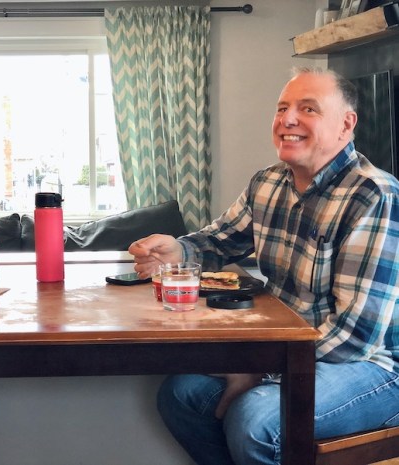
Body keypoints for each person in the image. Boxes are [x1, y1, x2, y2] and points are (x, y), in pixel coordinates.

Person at [129, 67, 399, 465]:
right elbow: (219, 241)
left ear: (346, 124)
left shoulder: (375, 195)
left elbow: (355, 335)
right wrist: (177, 250)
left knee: (255, 420)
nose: (288, 119)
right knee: (180, 395)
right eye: (282, 108)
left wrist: (258, 372)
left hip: (374, 366)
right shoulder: (268, 183)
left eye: (308, 109)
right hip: (291, 351)